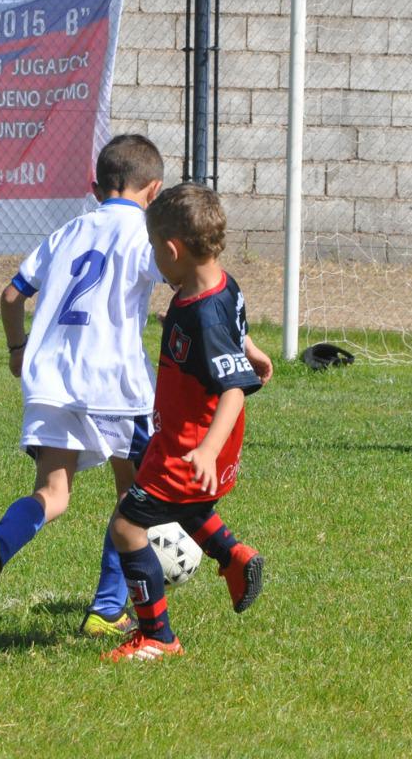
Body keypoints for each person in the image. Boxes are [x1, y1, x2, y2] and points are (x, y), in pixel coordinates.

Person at [0, 134, 166, 638]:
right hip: (117, 387)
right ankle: (107, 610)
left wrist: (15, 350)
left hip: (51, 380)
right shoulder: (146, 235)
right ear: (154, 191)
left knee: (53, 493)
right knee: (133, 499)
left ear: (95, 188)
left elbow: (11, 296)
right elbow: (183, 280)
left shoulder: (66, 232)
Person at [100, 182, 273, 663]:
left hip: (193, 441)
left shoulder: (204, 316)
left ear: (173, 249)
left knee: (128, 526)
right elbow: (236, 328)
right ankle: (235, 557)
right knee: (187, 506)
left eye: (155, 249)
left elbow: (232, 390)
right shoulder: (219, 283)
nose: (155, 259)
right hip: (186, 435)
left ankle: (157, 635)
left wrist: (205, 450)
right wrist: (251, 349)